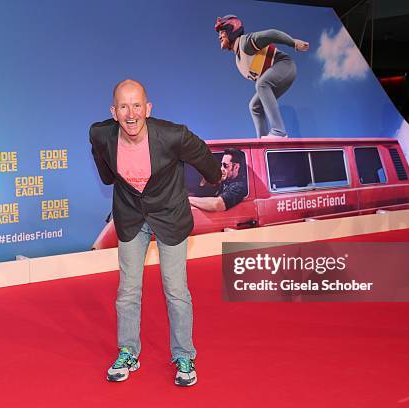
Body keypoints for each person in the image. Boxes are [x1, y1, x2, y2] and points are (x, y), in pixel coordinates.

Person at [89, 79, 221, 387]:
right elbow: (103, 165)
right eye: (123, 107)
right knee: (128, 290)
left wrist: (214, 177)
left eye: (137, 106)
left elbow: (201, 154)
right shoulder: (101, 134)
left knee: (175, 289)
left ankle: (184, 354)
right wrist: (109, 176)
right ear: (114, 111)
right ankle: (128, 352)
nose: (131, 114)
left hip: (169, 216)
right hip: (131, 216)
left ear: (148, 109)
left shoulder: (173, 136)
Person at [215, 15, 309, 138]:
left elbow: (271, 34)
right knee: (254, 106)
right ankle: (262, 140)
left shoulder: (246, 43)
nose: (219, 36)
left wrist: (294, 43)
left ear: (231, 30)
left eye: (222, 32)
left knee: (261, 84)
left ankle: (278, 131)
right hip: (278, 74)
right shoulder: (239, 61)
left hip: (285, 65)